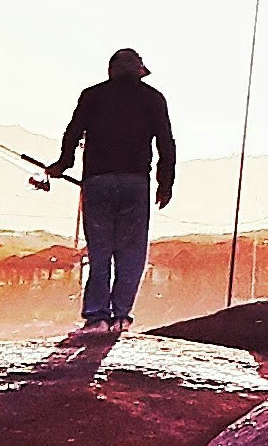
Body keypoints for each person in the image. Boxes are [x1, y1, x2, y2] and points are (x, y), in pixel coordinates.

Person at [46, 48, 176, 329]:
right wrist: (165, 184)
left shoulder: (92, 96)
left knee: (100, 250)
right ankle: (121, 316)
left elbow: (73, 133)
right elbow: (166, 143)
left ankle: (97, 316)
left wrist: (62, 165)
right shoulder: (152, 98)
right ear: (139, 71)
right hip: (136, 182)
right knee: (131, 252)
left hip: (97, 181)